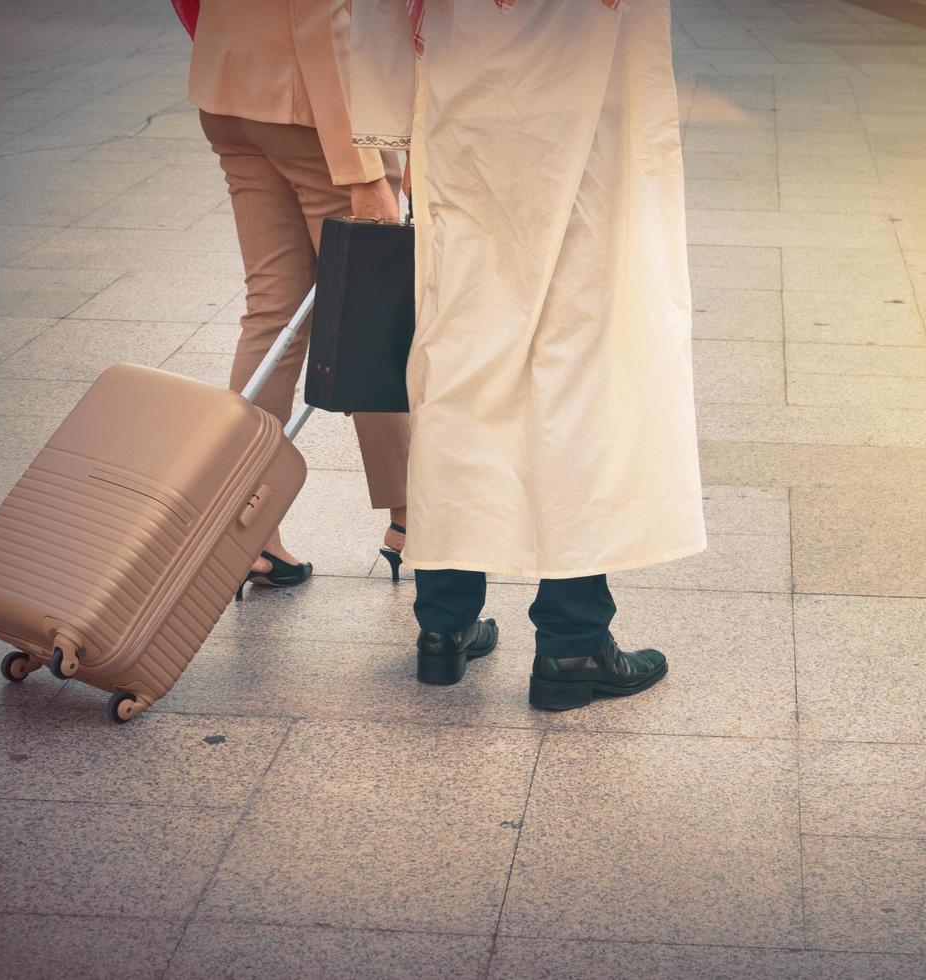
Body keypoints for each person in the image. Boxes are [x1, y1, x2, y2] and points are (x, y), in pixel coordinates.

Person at [353, 0, 705, 709]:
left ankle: (443, 628)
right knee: (579, 363)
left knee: (461, 363)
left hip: (467, 95)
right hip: (592, 92)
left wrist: (392, 125)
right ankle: (573, 644)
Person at [188, 0, 413, 593]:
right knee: (370, 315)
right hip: (316, 110)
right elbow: (323, 14)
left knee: (272, 310)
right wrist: (364, 170)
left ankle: (246, 529)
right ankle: (414, 516)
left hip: (231, 82)